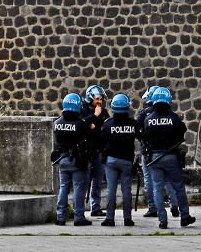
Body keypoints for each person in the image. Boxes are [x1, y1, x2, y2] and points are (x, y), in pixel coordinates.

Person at [142, 87, 196, 229]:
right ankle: (184, 216)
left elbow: (145, 138)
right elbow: (182, 131)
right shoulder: (174, 118)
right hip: (171, 156)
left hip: (155, 158)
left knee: (157, 189)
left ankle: (162, 220)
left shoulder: (148, 119)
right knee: (178, 187)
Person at [52, 93, 95, 226]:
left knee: (63, 188)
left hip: (62, 159)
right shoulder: (81, 124)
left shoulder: (57, 123)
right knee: (78, 189)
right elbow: (88, 140)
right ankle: (78, 217)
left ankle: (60, 217)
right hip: (77, 161)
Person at [137, 86, 178, 218]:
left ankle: (153, 207)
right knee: (169, 180)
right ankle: (174, 204)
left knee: (151, 181)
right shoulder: (168, 113)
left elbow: (136, 128)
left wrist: (142, 139)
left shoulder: (144, 113)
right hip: (168, 150)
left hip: (149, 152)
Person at [100, 94, 137, 227]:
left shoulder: (108, 124)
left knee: (111, 190)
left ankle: (110, 218)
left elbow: (102, 140)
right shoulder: (133, 124)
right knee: (126, 190)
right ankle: (128, 218)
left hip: (111, 160)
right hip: (127, 161)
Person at [81, 84, 107, 217]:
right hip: (86, 150)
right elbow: (82, 125)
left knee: (98, 181)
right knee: (84, 180)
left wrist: (93, 126)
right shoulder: (82, 110)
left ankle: (95, 207)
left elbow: (105, 128)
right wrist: (93, 118)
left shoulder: (104, 112)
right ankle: (79, 209)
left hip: (99, 149)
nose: (99, 102)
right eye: (97, 99)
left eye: (101, 99)